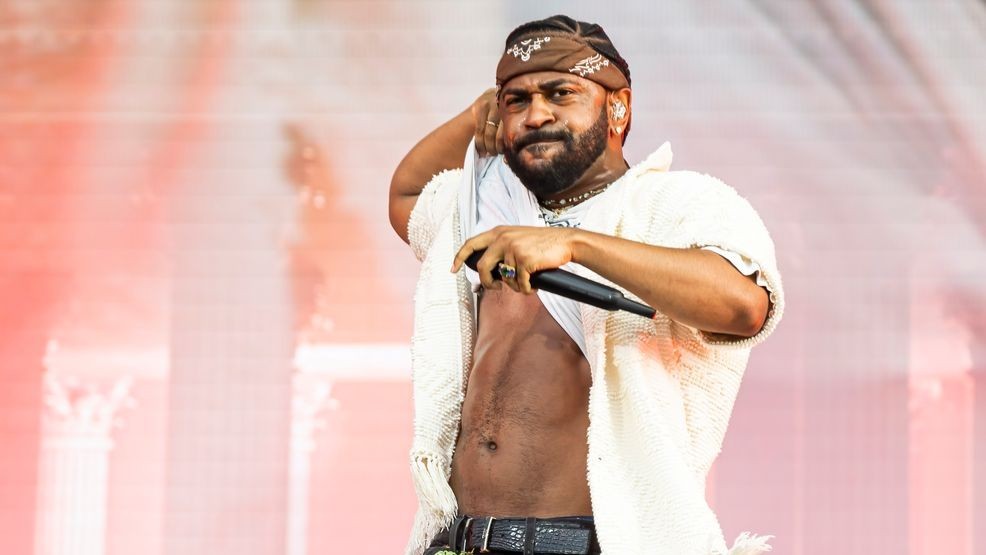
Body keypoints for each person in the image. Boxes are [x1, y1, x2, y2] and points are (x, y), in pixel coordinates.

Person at [389, 15, 784, 555]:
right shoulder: (487, 211)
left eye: (560, 93)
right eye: (517, 101)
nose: (537, 115)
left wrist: (577, 246)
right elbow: (407, 199)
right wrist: (475, 117)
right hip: (461, 540)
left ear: (618, 106)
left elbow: (744, 305)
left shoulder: (671, 203)